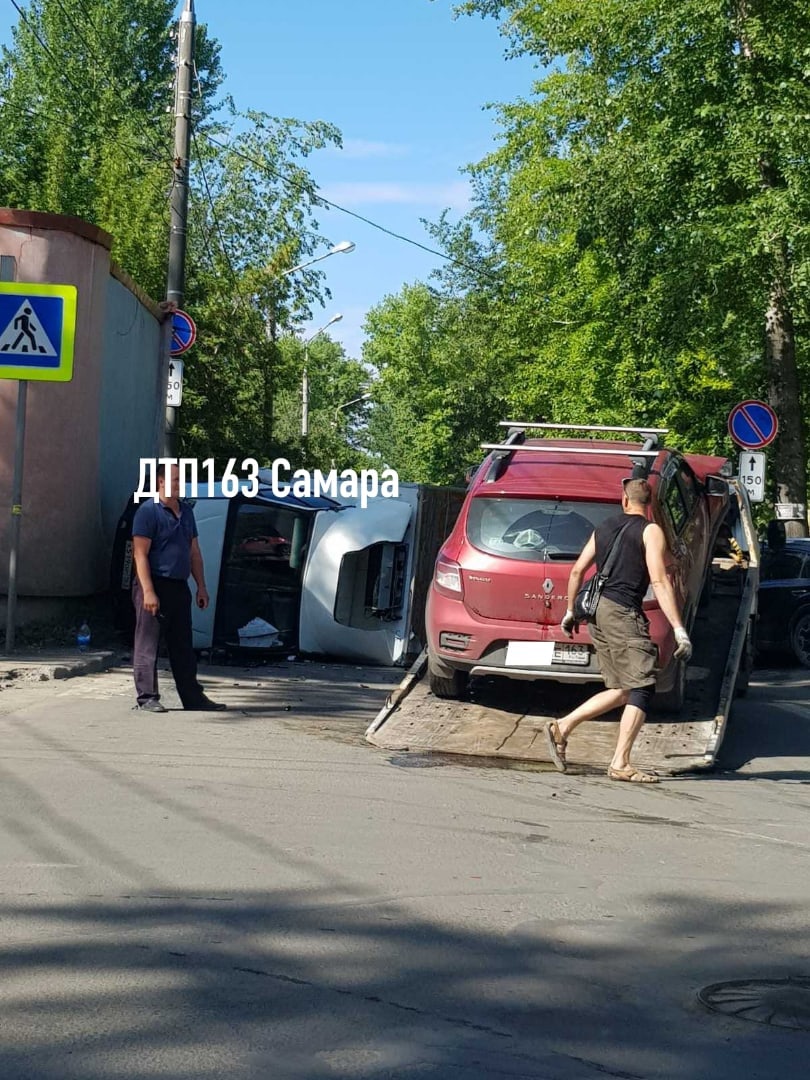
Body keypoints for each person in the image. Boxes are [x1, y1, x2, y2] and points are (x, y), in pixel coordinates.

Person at [545, 478, 692, 783]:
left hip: (596, 611)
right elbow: (660, 581)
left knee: (624, 688)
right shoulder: (651, 531)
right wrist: (679, 629)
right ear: (648, 504)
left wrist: (571, 611)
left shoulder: (604, 526)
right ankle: (620, 763)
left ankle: (563, 726)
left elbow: (577, 571)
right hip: (622, 611)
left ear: (624, 500)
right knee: (643, 686)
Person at [131, 462, 226, 713]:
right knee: (148, 644)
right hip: (154, 585)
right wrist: (149, 591)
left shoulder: (186, 512)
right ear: (160, 482)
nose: (179, 485)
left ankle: (193, 697)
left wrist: (201, 587)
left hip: (179, 585)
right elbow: (140, 555)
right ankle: (147, 698)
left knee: (183, 645)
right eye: (175, 480)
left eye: (181, 480)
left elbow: (194, 552)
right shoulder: (147, 512)